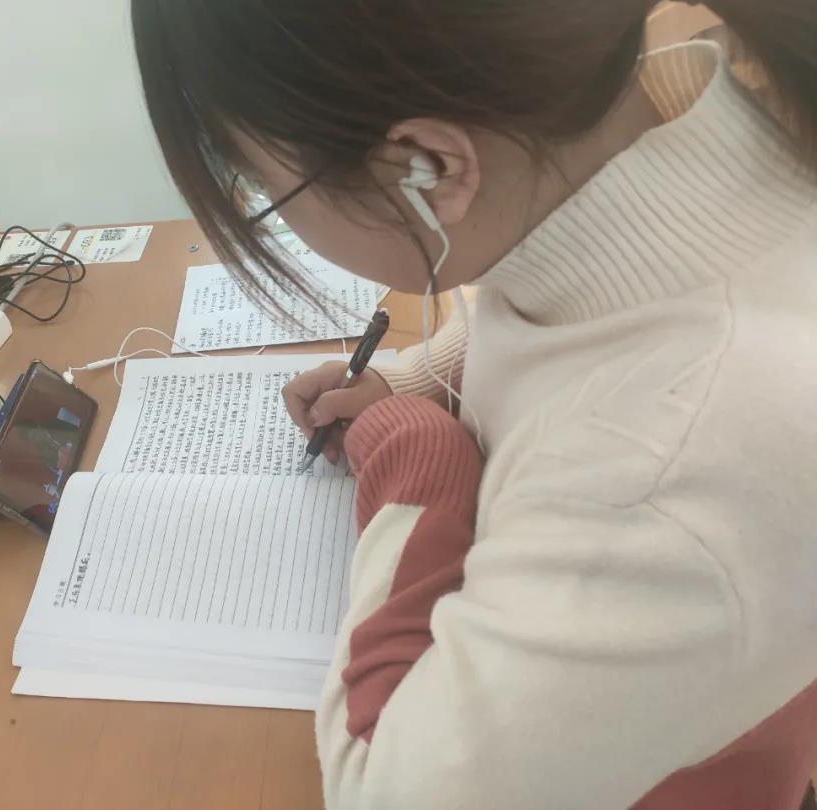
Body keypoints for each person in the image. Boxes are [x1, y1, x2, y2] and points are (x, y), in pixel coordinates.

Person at [131, 1, 817, 808]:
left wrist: (414, 459)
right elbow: (579, 306)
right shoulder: (699, 129)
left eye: (258, 184)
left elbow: (385, 789)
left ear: (427, 167)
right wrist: (419, 375)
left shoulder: (669, 473)